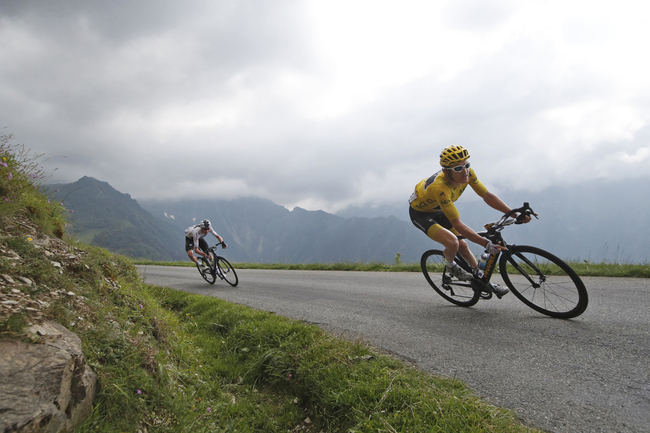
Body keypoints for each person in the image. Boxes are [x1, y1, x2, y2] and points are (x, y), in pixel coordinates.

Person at [409, 145, 531, 297]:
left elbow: (487, 196)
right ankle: (450, 265)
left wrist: (514, 214)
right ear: (446, 172)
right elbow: (458, 224)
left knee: (463, 245)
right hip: (420, 214)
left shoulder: (468, 174)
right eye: (458, 168)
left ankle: (481, 280)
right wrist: (485, 244)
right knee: (453, 242)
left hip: (438, 209)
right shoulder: (440, 188)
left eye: (466, 165)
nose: (465, 171)